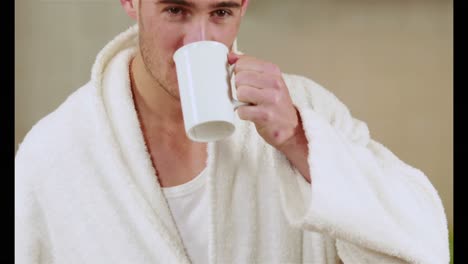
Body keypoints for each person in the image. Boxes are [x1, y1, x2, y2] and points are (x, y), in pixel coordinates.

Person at [15, 0, 450, 263]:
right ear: (133, 2)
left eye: (219, 12)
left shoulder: (305, 111)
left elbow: (424, 244)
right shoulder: (55, 154)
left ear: (242, 7)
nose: (198, 38)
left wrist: (300, 142)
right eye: (176, 10)